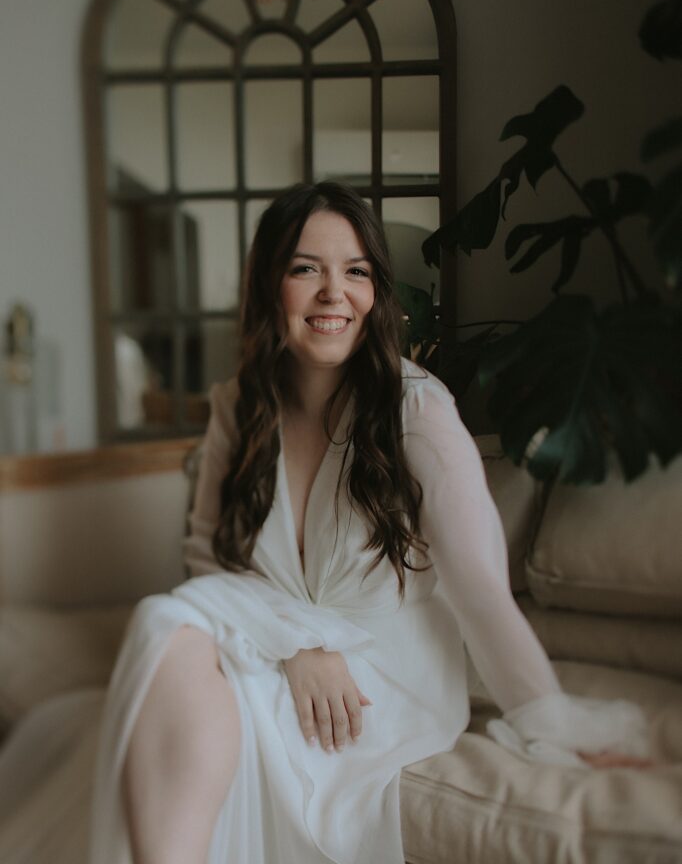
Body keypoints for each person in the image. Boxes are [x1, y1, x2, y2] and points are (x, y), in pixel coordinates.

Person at [87, 181, 650, 864]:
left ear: (377, 291)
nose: (334, 294)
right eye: (305, 269)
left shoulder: (418, 410)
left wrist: (553, 723)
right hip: (279, 652)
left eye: (355, 272)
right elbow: (209, 558)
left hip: (386, 680)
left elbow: (482, 598)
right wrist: (296, 643)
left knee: (166, 631)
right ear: (270, 286)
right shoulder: (240, 405)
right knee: (165, 627)